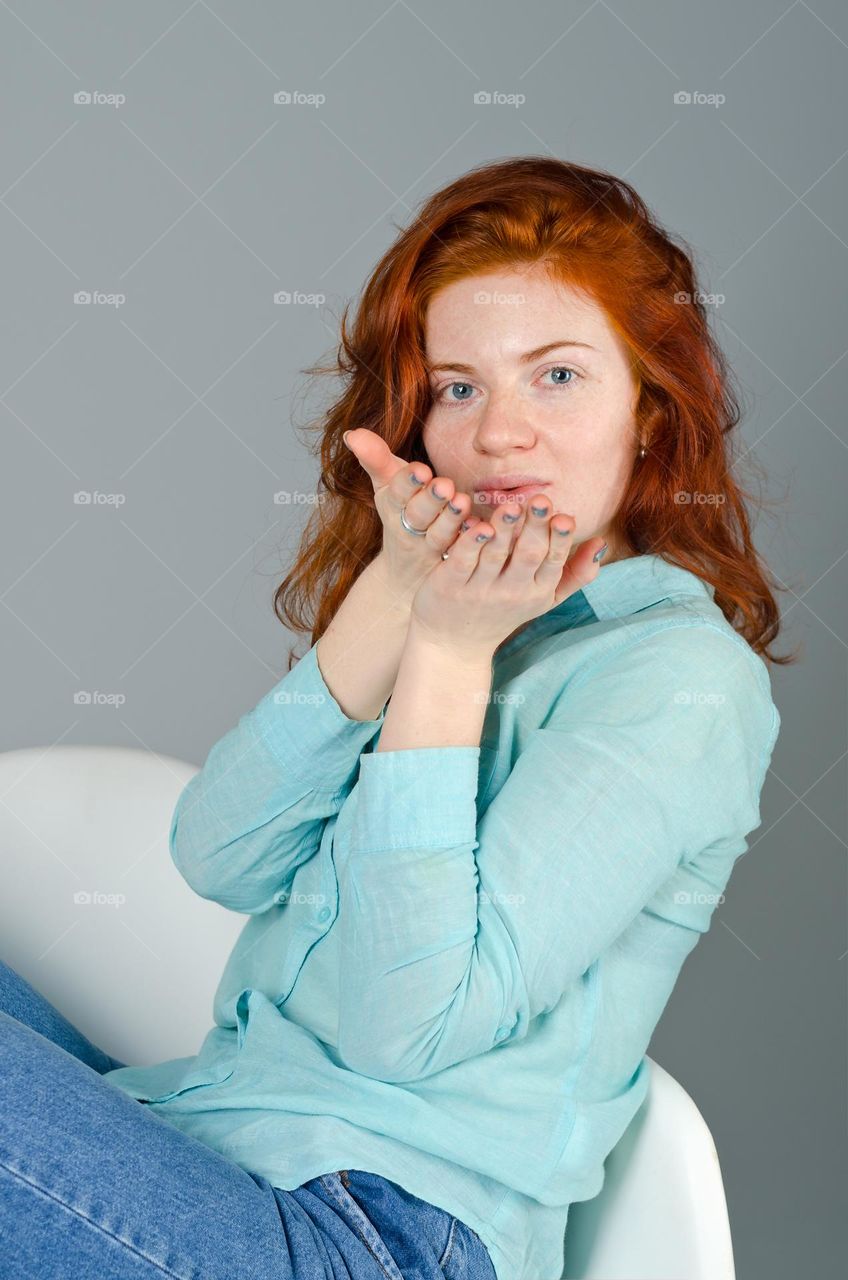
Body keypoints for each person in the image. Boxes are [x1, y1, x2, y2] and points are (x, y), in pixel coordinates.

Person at [0, 155, 791, 1280]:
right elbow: (217, 852)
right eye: (458, 387)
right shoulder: (450, 599)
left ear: (650, 415)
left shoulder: (678, 684)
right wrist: (395, 587)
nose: (499, 432)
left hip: (376, 1237)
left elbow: (400, 1028)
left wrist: (449, 658)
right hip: (218, 1143)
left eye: (556, 376)